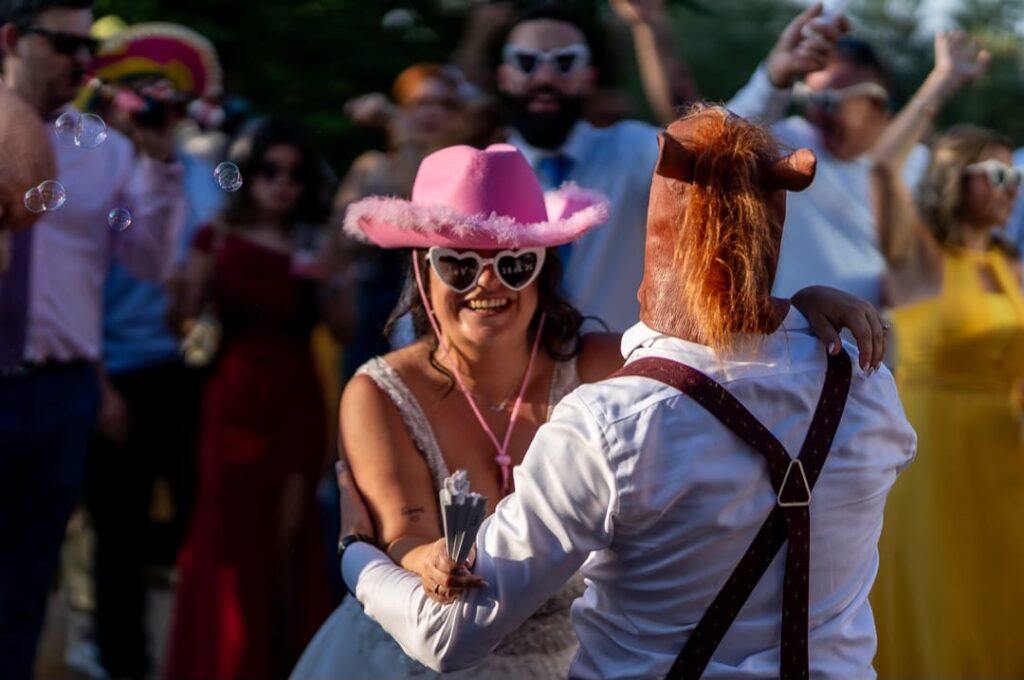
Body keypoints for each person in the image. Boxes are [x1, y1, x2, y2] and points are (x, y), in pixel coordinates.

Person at [335, 106, 915, 679]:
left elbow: (448, 637)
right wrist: (792, 313)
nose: (488, 280)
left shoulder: (606, 419)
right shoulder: (867, 389)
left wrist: (353, 548)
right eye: (459, 263)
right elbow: (738, 366)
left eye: (514, 263)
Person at [0, 1, 186, 676]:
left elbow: (148, 262)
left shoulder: (99, 149)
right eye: (64, 44)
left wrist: (162, 166)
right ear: (13, 40)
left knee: (27, 587)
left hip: (61, 388)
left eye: (90, 49)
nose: (84, 63)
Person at [496, 4, 841, 332]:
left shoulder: (628, 150)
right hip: (517, 385)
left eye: (564, 62)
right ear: (504, 76)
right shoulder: (485, 173)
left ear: (589, 77)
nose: (545, 77)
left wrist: (775, 76)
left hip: (618, 380)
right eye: (526, 62)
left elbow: (717, 142)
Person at [866, 31, 1024, 678]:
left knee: (1000, 601)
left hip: (1004, 456)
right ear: (959, 180)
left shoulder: (1011, 264)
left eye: (1016, 174)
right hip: (928, 458)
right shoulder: (919, 260)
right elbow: (881, 167)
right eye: (998, 174)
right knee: (938, 601)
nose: (1013, 186)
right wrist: (941, 81)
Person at [164, 117, 345, 679]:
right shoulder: (214, 235)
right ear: (248, 173)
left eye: (296, 173)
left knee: (292, 536)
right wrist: (182, 296)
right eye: (270, 169)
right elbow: (184, 326)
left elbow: (346, 328)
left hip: (296, 400)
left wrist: (330, 281)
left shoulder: (314, 242)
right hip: (233, 401)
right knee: (230, 533)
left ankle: (286, 663)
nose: (282, 183)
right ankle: (227, 662)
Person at [77, 20, 226, 679]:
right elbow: (70, 285)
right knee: (119, 535)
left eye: (163, 93)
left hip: (187, 369)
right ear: (109, 97)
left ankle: (197, 657)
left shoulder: (202, 176)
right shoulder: (86, 172)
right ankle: (123, 664)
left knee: (197, 521)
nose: (149, 104)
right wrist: (100, 383)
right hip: (110, 371)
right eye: (135, 91)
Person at [729, 20, 932, 306]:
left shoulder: (920, 164)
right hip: (792, 338)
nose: (815, 113)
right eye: (808, 98)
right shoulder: (791, 142)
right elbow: (720, 141)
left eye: (828, 101)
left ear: (875, 101)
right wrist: (774, 78)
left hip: (881, 343)